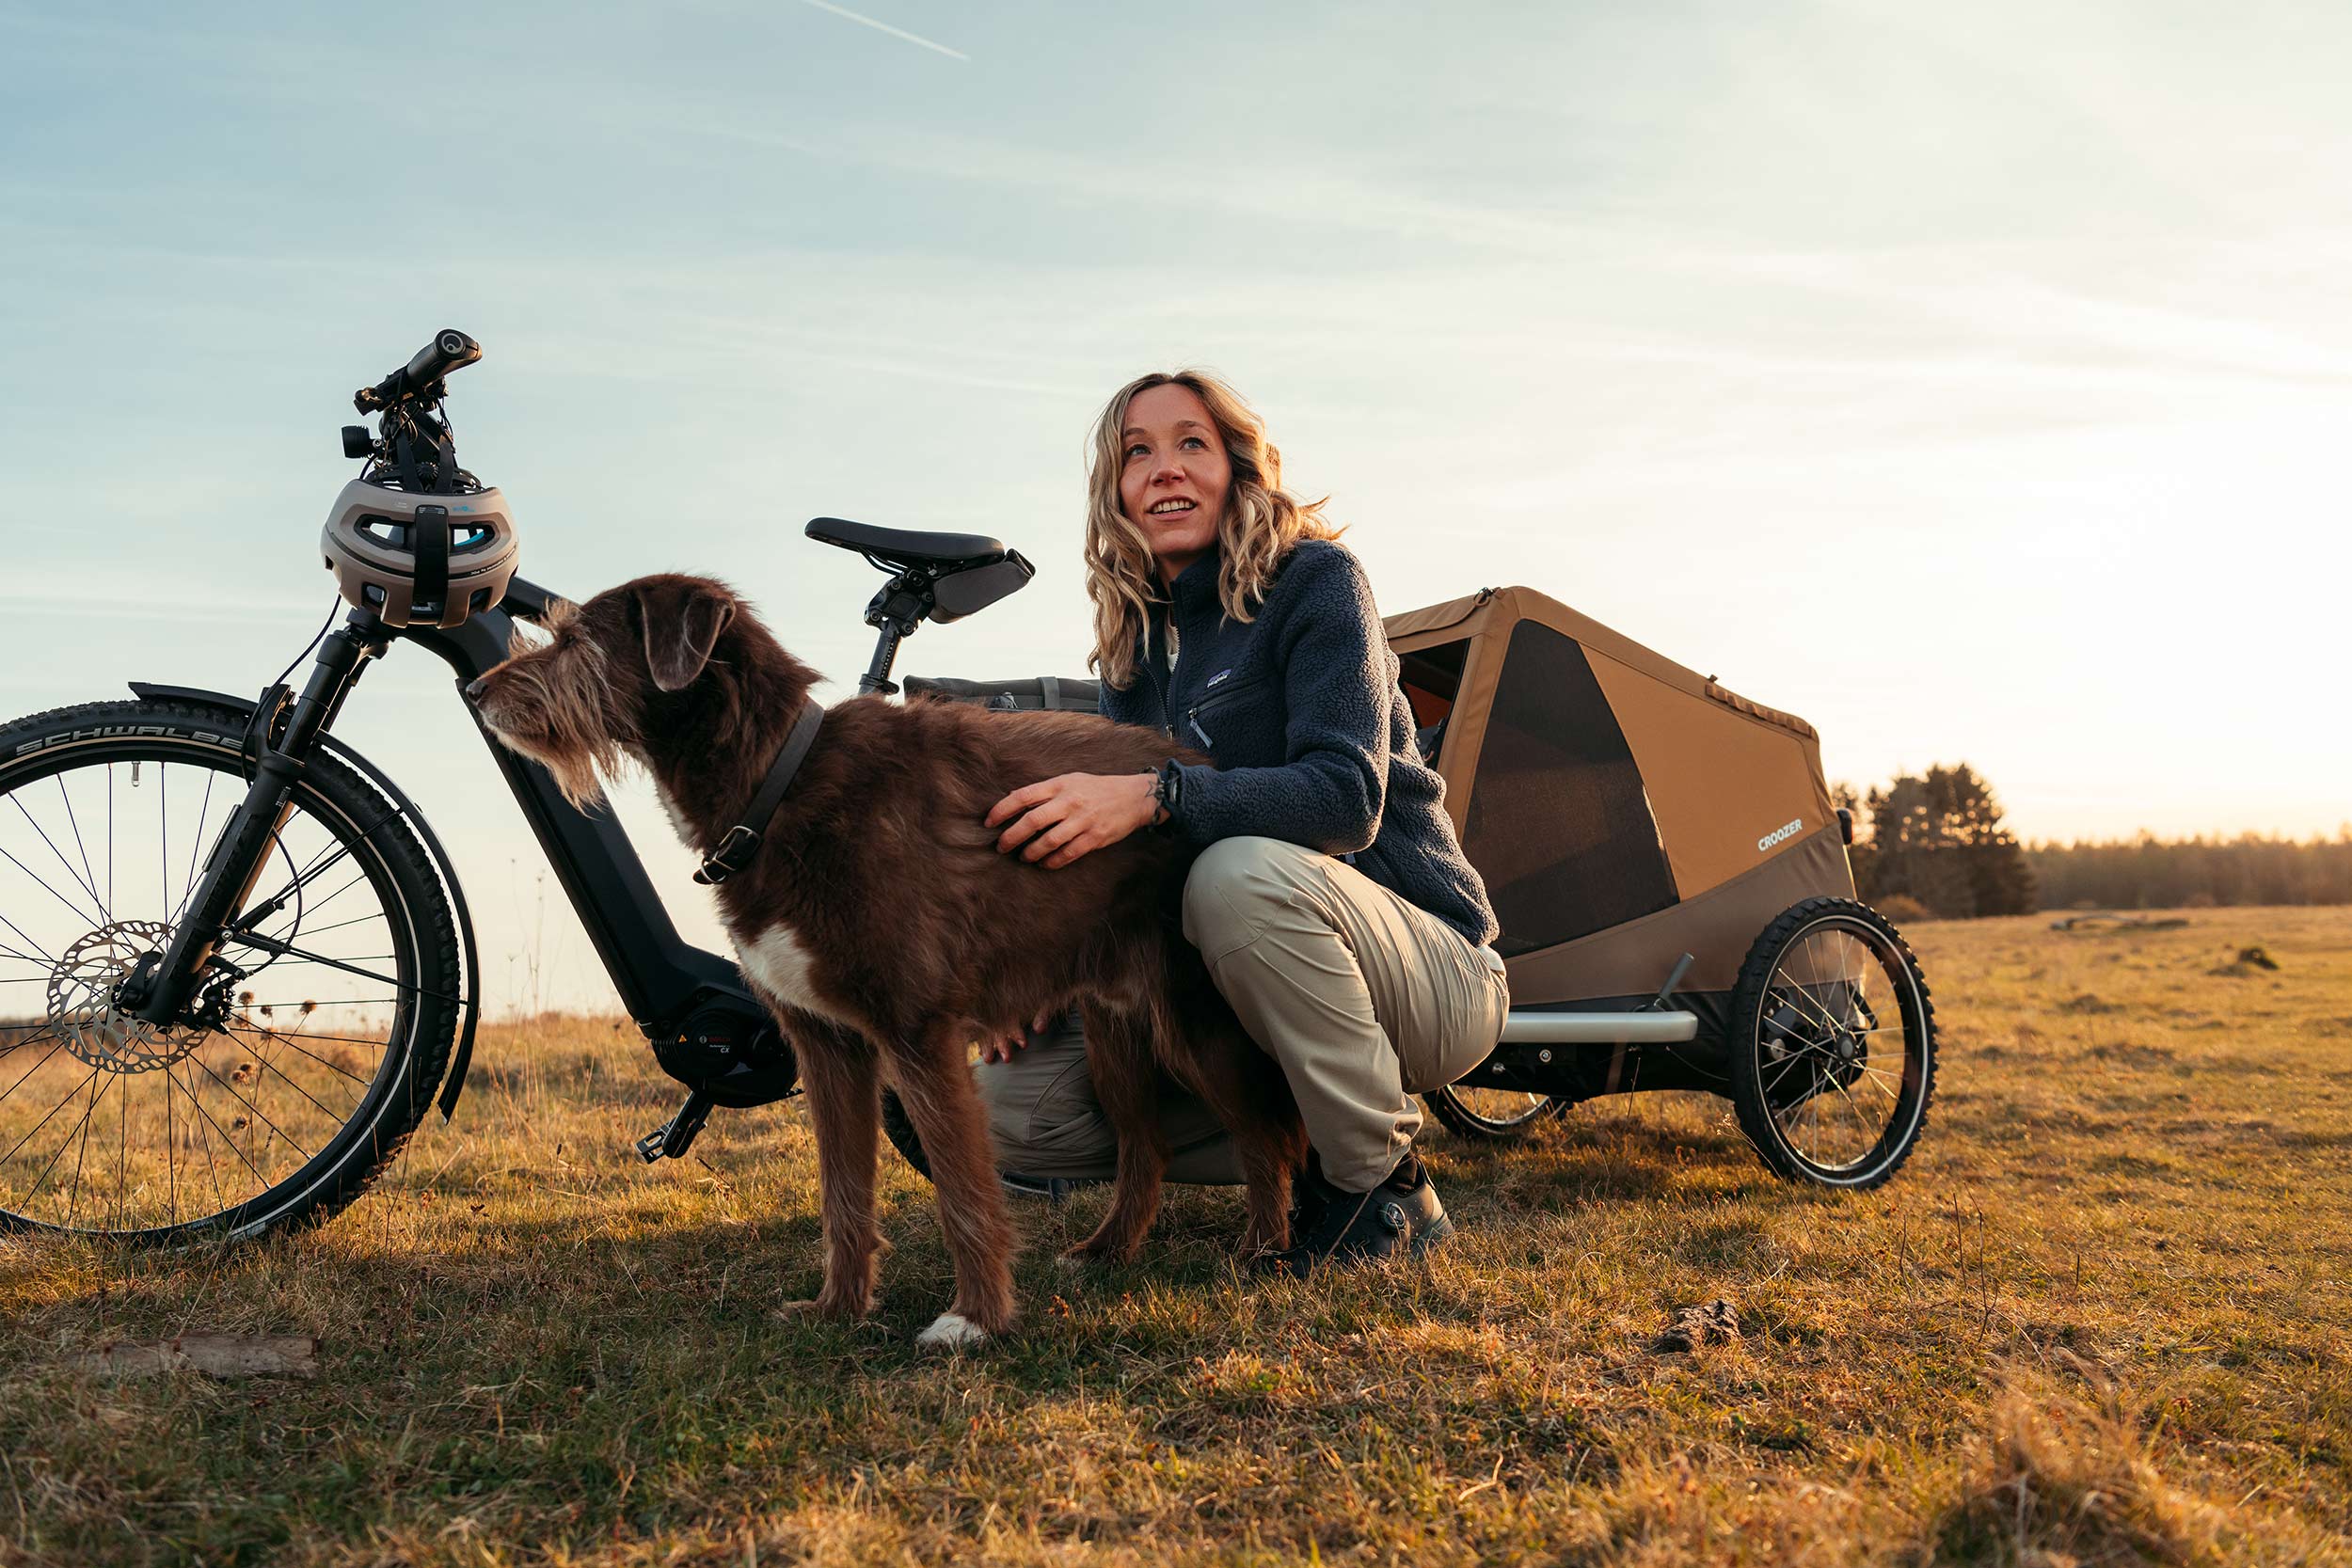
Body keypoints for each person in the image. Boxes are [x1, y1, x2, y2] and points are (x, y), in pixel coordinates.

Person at [977, 370, 1507, 1272]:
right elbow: (1126, 869)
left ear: (1238, 466)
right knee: (1010, 1112)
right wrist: (1029, 971)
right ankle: (1292, 1137)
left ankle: (1382, 1187)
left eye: (1192, 441)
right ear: (1116, 491)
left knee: (1236, 876)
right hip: (1249, 983)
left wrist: (1156, 795)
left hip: (1430, 969)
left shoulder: (1317, 581)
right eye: (1137, 453)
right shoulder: (1134, 651)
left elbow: (1346, 799)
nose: (1165, 467)